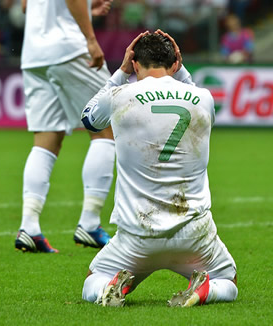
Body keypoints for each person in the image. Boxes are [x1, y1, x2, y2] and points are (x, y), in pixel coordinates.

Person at [80, 31, 238, 307]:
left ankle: (111, 286)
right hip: (194, 234)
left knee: (93, 280)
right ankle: (205, 291)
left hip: (137, 234)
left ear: (135, 63)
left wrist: (120, 72)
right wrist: (182, 68)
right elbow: (191, 91)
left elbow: (89, 120)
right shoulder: (203, 98)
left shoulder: (120, 95)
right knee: (229, 282)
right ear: (175, 63)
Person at [14, 0, 116, 253]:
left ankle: (29, 227)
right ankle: (90, 223)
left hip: (34, 55)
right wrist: (90, 38)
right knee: (107, 128)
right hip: (69, 49)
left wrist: (86, 10)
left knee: (47, 139)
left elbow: (28, 6)